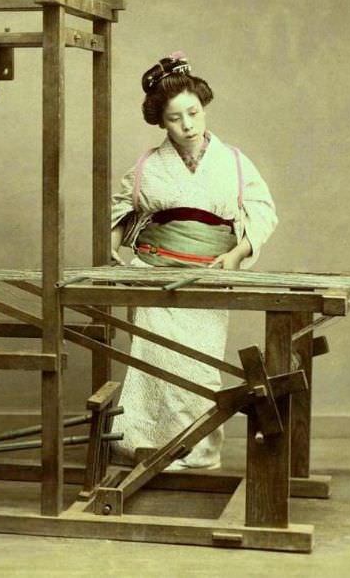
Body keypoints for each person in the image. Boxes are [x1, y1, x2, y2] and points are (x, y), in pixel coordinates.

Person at [109, 53, 278, 470]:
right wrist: (113, 249)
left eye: (193, 113)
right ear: (161, 122)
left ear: (203, 109)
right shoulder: (149, 165)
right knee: (153, 362)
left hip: (209, 271)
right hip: (153, 273)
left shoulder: (234, 162)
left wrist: (236, 254)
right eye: (174, 118)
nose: (187, 125)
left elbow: (262, 210)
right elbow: (121, 209)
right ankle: (144, 445)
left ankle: (199, 450)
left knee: (198, 365)